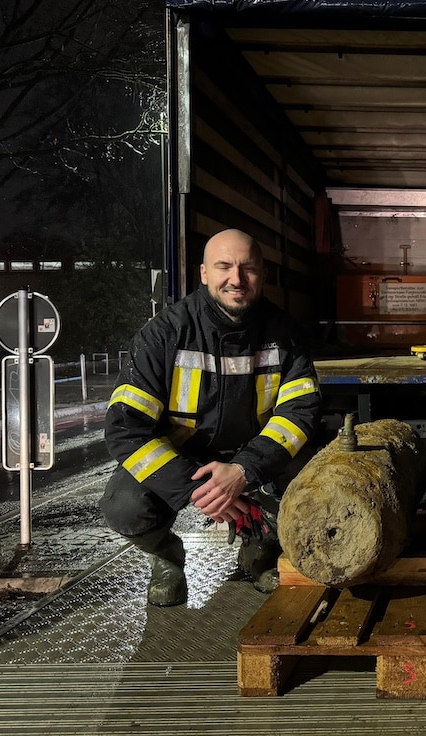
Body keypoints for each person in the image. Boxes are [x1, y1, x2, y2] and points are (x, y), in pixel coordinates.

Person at [101, 228, 322, 606]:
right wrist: (197, 489)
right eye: (224, 267)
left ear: (262, 274)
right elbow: (125, 428)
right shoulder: (164, 335)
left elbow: (299, 414)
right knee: (124, 505)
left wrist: (242, 472)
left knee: (313, 478)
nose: (236, 279)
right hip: (184, 459)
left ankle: (262, 548)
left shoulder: (285, 334)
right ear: (203, 273)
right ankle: (167, 557)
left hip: (253, 456)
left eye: (247, 268)